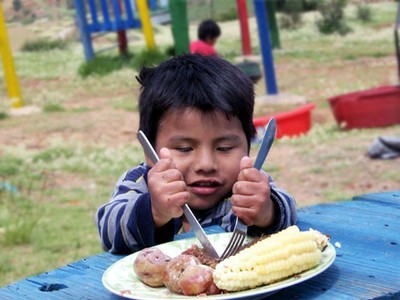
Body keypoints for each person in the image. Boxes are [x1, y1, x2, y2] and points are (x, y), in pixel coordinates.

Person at [95, 54, 297, 253]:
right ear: (149, 151)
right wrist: (154, 211)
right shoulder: (140, 182)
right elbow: (108, 231)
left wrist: (267, 211)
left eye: (224, 148)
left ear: (247, 145)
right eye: (184, 149)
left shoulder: (245, 186)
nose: (206, 164)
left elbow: (289, 212)